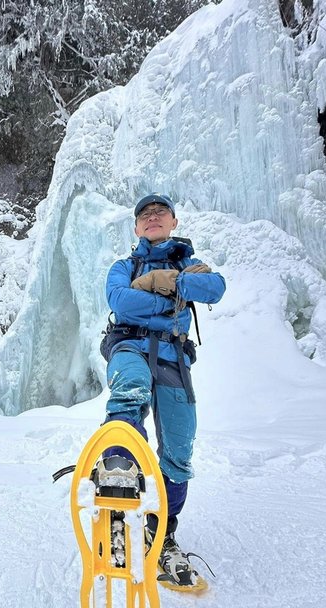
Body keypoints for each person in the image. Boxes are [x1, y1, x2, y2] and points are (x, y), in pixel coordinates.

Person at [96, 194, 226, 587]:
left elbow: (215, 287)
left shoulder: (188, 262)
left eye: (160, 213)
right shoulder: (123, 266)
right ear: (137, 228)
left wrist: (166, 280)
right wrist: (175, 298)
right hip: (129, 345)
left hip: (173, 357)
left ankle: (162, 533)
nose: (152, 218)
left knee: (179, 449)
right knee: (130, 390)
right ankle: (117, 491)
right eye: (144, 215)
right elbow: (121, 301)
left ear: (173, 221)